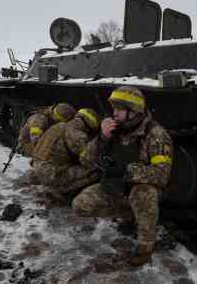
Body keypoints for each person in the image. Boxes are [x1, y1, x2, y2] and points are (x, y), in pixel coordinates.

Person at [72, 86, 173, 266]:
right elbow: (85, 160)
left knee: (142, 193)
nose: (114, 113)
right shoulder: (114, 129)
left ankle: (145, 245)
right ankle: (129, 213)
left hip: (141, 188)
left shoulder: (155, 134)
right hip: (116, 186)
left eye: (119, 109)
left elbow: (162, 174)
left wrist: (127, 171)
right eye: (113, 108)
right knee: (80, 205)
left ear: (133, 112)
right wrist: (102, 138)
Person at [32, 108, 101, 200]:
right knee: (95, 170)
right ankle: (61, 191)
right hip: (51, 174)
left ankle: (55, 187)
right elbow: (87, 160)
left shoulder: (59, 125)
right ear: (89, 126)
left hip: (38, 167)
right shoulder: (77, 134)